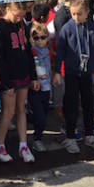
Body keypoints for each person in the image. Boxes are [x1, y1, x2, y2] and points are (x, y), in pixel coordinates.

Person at [53, 0, 94, 153]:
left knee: (88, 102)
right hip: (71, 72)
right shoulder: (67, 29)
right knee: (71, 104)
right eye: (73, 14)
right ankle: (70, 137)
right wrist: (57, 71)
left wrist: (93, 63)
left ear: (87, 12)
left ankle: (90, 134)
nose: (76, 17)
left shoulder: (92, 27)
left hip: (86, 72)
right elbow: (60, 51)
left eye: (79, 14)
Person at [0, 2, 38, 163]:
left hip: (23, 73)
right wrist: (6, 83)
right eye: (16, 15)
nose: (18, 18)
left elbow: (28, 51)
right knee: (8, 112)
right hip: (10, 78)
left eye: (21, 15)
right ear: (8, 10)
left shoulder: (21, 24)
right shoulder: (0, 27)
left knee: (21, 109)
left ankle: (23, 145)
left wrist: (33, 76)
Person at [28, 23, 52, 152]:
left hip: (47, 87)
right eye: (36, 38)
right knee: (40, 117)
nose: (40, 40)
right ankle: (37, 139)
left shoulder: (48, 51)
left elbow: (50, 68)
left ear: (48, 38)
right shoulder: (31, 51)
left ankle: (38, 136)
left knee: (44, 115)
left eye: (43, 37)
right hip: (35, 89)